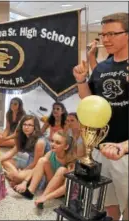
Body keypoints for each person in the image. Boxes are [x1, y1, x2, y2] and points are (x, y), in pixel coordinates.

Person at [73, 12, 128, 220]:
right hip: (101, 149)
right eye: (104, 34)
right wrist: (81, 81)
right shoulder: (102, 67)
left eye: (112, 34)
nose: (106, 39)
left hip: (125, 152)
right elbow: (90, 102)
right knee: (107, 204)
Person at [14, 131, 77, 208]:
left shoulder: (71, 162)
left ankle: (43, 197)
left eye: (58, 143)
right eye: (52, 141)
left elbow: (66, 187)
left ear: (66, 147)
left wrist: (46, 197)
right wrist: (24, 182)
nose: (53, 144)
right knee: (42, 160)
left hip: (61, 192)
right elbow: (36, 168)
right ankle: (30, 191)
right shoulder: (51, 153)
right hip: (51, 184)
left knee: (62, 170)